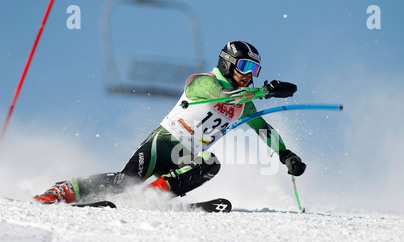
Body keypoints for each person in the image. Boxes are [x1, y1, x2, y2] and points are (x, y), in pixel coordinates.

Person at [34, 40, 306, 204]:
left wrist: (285, 154)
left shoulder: (244, 102)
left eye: (254, 70)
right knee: (125, 181)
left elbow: (263, 129)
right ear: (227, 64)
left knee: (210, 163)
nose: (249, 75)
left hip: (185, 155)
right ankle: (66, 190)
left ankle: (150, 198)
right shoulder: (204, 82)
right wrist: (267, 90)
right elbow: (224, 94)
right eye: (245, 67)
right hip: (163, 143)